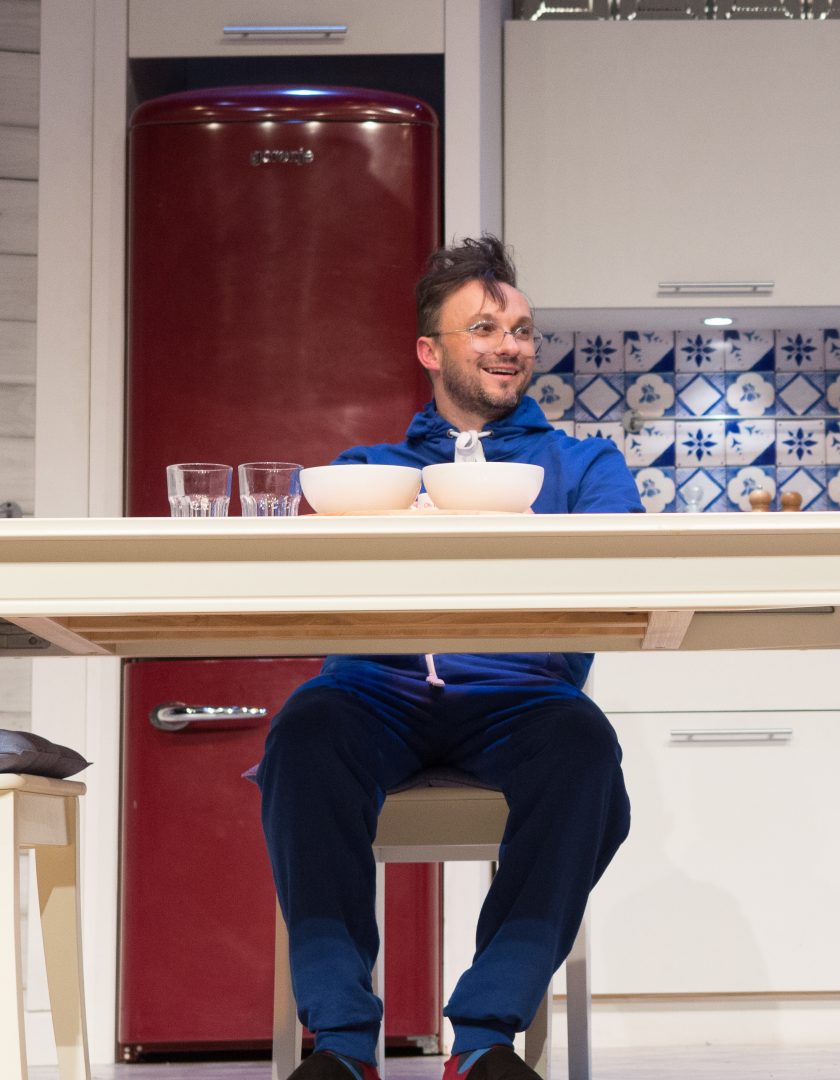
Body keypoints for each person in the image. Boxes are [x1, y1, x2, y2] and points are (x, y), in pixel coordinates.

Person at [260, 236, 641, 1080]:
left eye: (522, 329)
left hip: (522, 695)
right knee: (305, 730)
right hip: (375, 690)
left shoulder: (583, 464)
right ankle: (344, 1045)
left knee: (585, 748)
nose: (511, 345)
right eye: (485, 328)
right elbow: (305, 582)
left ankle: (483, 1039)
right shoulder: (368, 471)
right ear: (430, 351)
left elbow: (623, 569)